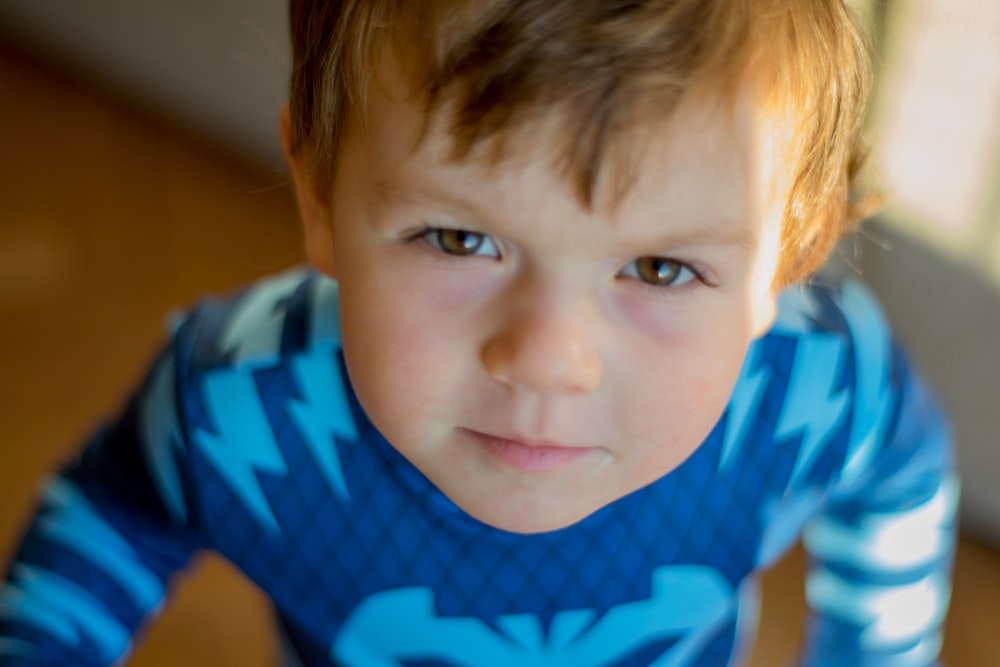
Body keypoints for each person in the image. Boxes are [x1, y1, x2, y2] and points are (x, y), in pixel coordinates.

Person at [0, 1, 957, 665]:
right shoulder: (239, 401)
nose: (547, 358)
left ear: (790, 257)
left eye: (660, 268)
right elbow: (114, 510)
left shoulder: (812, 382)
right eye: (461, 238)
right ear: (319, 191)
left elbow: (902, 474)